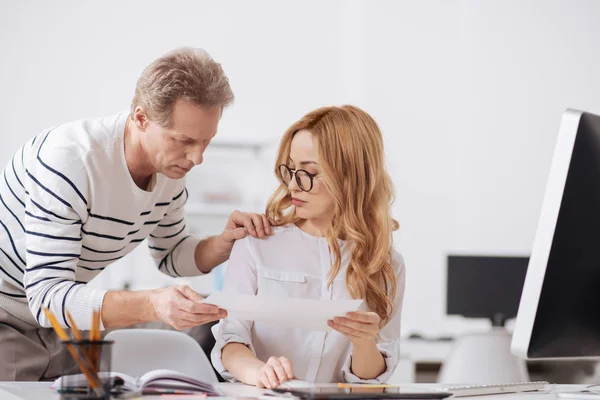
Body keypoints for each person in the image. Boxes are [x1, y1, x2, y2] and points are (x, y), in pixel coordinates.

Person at [0, 47, 271, 381]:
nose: (197, 158)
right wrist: (153, 304)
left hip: (61, 324)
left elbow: (170, 255)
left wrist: (223, 243)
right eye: (183, 140)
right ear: (141, 119)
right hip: (9, 317)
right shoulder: (71, 162)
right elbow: (45, 297)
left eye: (206, 141)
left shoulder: (169, 171)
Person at [211, 105, 405, 387]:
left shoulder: (385, 264)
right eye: (290, 170)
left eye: (309, 172)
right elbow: (230, 341)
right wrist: (259, 373)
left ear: (351, 177)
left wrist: (364, 342)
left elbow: (370, 378)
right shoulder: (256, 244)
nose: (293, 186)